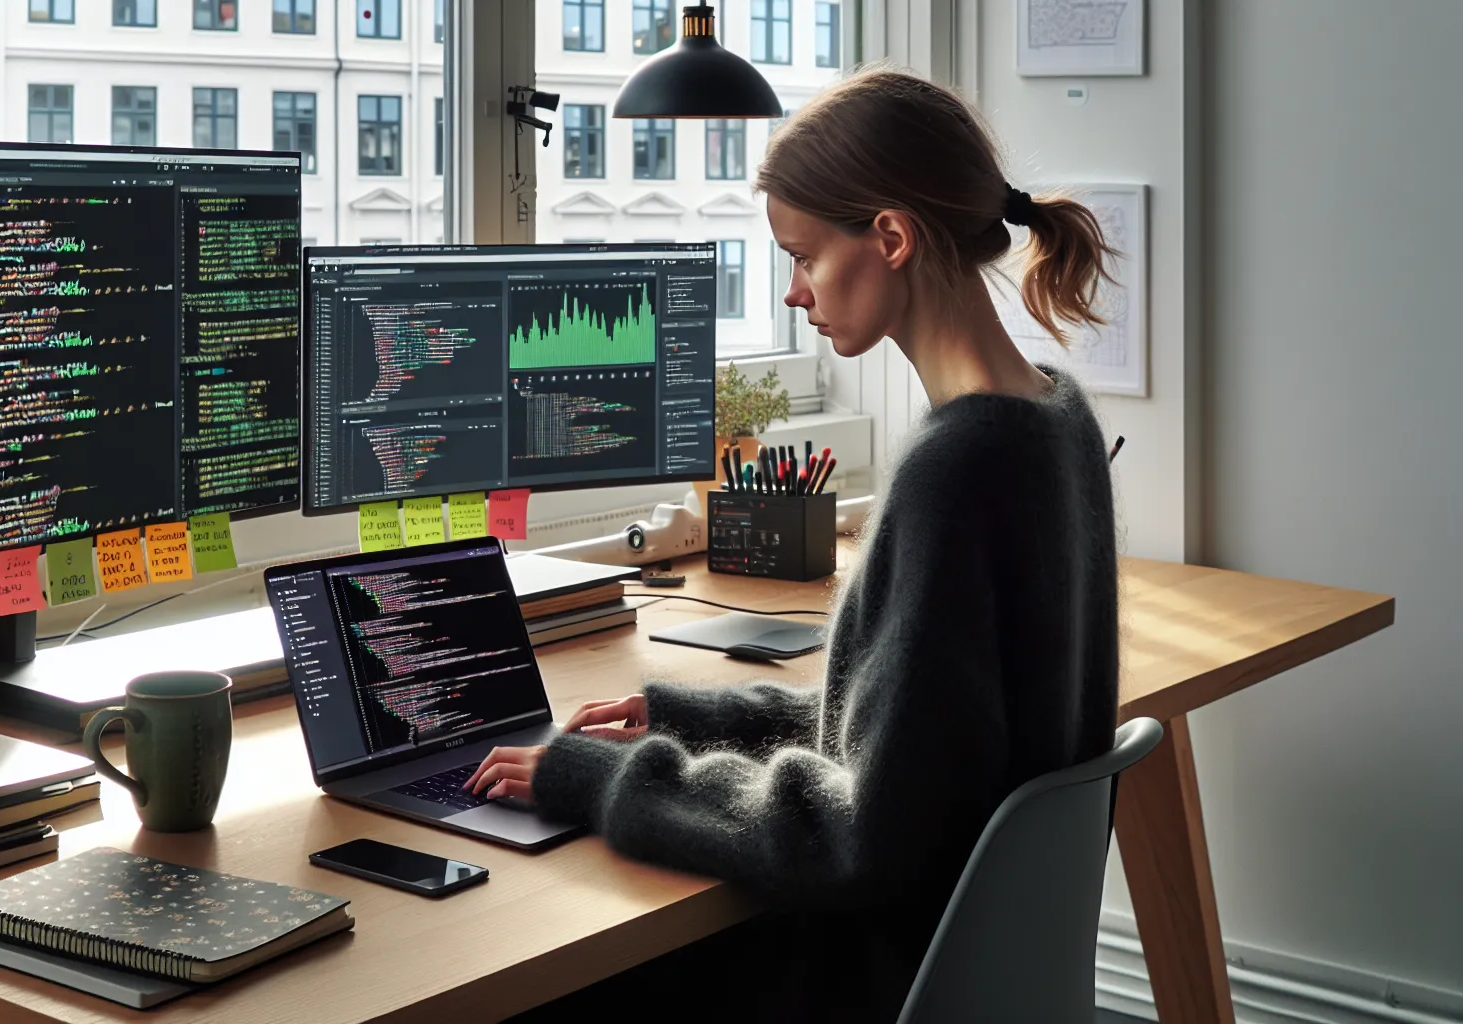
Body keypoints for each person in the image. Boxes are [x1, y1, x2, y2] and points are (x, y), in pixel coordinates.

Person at [472, 66, 1121, 1023]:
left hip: (862, 978)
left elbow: (859, 836)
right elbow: (918, 742)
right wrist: (689, 719)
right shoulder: (1053, 420)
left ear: (891, 238)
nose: (791, 293)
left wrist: (610, 777)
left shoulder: (958, 467)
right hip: (961, 967)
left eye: (805, 257)